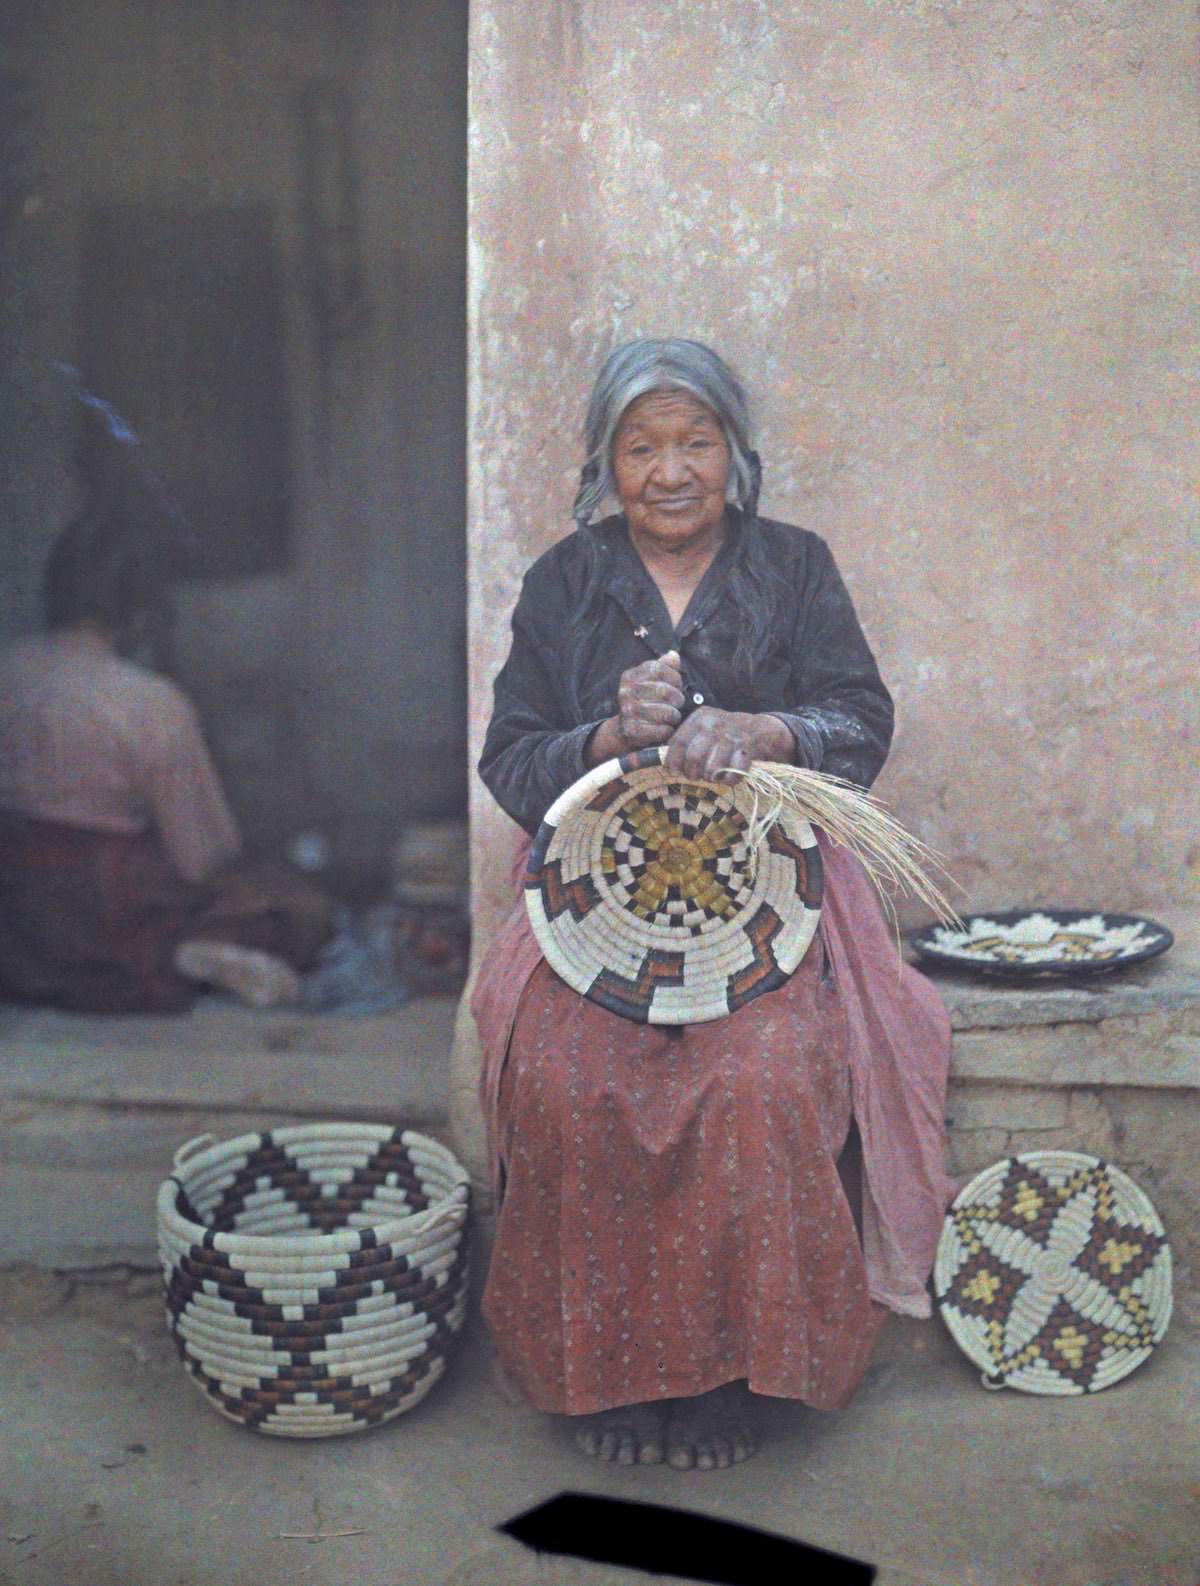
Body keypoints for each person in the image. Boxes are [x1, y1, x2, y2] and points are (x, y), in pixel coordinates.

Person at [472, 338, 955, 1471]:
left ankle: (734, 1375)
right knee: (564, 1071)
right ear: (605, 462)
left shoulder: (794, 566)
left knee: (760, 1076)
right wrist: (605, 732)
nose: (671, 469)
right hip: (591, 906)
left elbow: (860, 720)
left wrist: (768, 730)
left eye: (696, 441)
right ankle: (610, 1380)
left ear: (736, 454)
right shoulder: (565, 581)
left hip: (768, 905)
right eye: (643, 446)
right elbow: (510, 760)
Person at [0, 514, 333, 1013]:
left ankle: (165, 956)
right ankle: (177, 957)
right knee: (299, 908)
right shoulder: (150, 702)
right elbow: (202, 859)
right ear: (143, 605)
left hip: (15, 926)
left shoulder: (9, 668)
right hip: (107, 922)